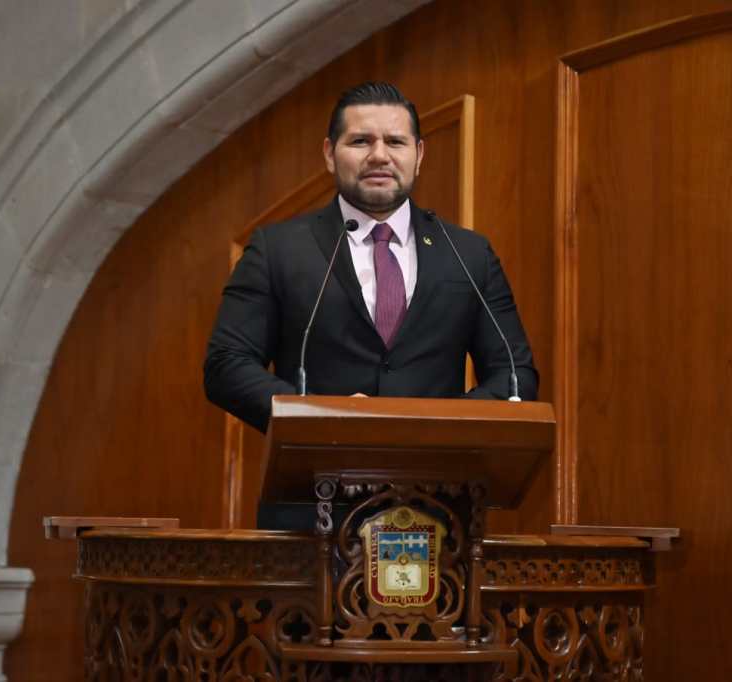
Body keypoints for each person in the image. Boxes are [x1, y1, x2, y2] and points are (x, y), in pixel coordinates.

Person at [204, 83, 538, 527]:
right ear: (329, 153)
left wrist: (437, 429)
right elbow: (226, 365)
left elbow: (516, 375)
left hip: (440, 516)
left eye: (395, 141)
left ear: (419, 154)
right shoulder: (278, 249)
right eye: (361, 141)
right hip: (310, 517)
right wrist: (325, 419)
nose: (379, 155)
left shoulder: (469, 254)